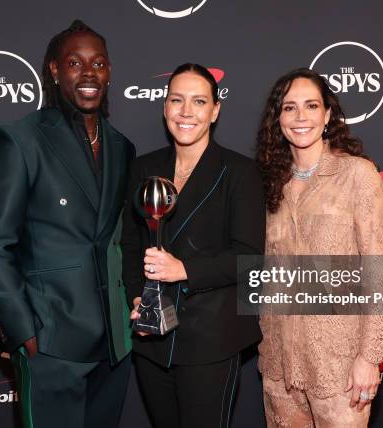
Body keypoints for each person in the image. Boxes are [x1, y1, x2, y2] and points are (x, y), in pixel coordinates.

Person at [0, 20, 135, 428]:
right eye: (75, 62)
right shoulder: (17, 140)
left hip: (114, 345)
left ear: (110, 72)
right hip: (51, 340)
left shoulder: (122, 146)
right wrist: (23, 330)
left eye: (98, 63)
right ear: (54, 70)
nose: (89, 73)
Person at [121, 63, 266, 428]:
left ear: (215, 110)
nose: (186, 112)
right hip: (153, 341)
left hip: (211, 340)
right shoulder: (143, 167)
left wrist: (183, 269)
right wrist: (139, 301)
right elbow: (130, 243)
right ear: (165, 107)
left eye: (199, 101)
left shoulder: (240, 172)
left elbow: (250, 258)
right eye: (177, 100)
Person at [256, 68, 383, 427]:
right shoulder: (271, 183)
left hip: (341, 367)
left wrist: (370, 357)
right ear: (278, 118)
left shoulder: (358, 175)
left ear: (328, 115)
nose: (301, 117)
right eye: (289, 108)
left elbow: (381, 273)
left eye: (311, 105)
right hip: (279, 366)